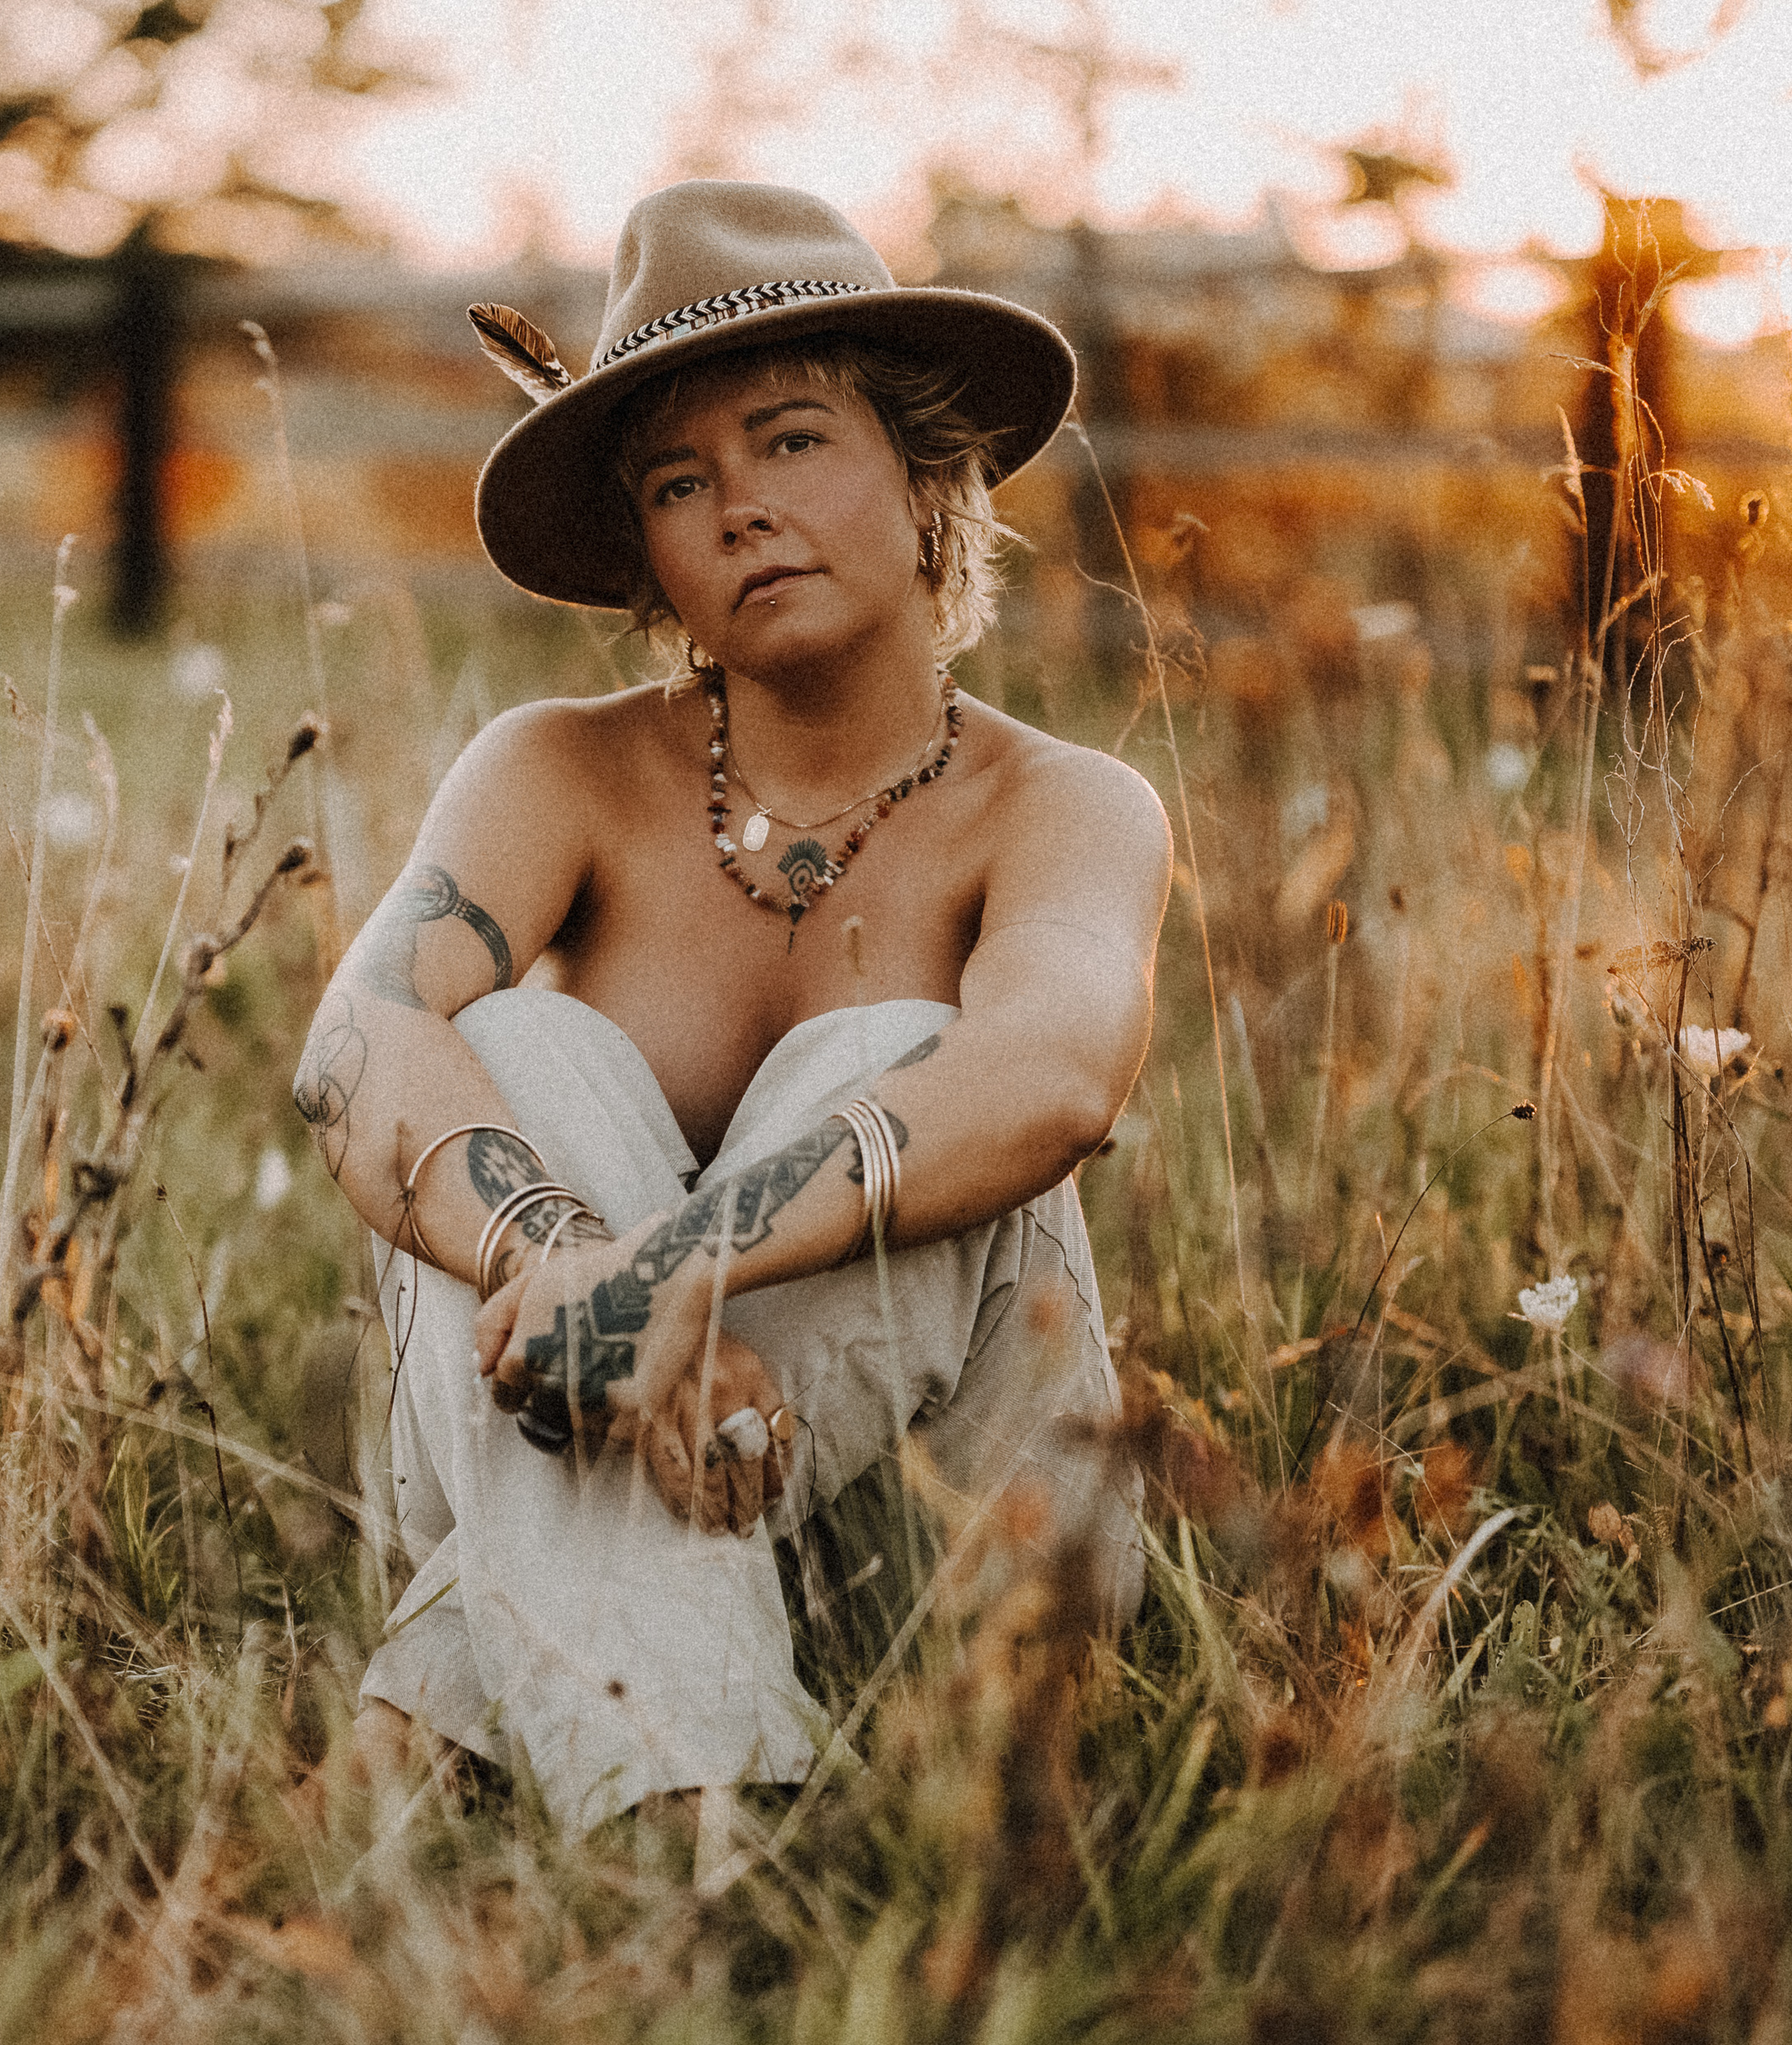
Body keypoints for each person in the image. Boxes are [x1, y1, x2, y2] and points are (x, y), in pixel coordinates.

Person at [295, 182, 1171, 1835]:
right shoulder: (557, 770)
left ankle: (457, 1731)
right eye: (678, 484)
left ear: (928, 483)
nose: (739, 510)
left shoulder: (1065, 804)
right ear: (648, 563)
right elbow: (354, 1046)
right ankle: (695, 1836)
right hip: (564, 1410)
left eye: (788, 442)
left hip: (938, 1564)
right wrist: (553, 1260)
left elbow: (1049, 1075)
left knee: (885, 1050)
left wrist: (664, 1275)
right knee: (513, 1041)